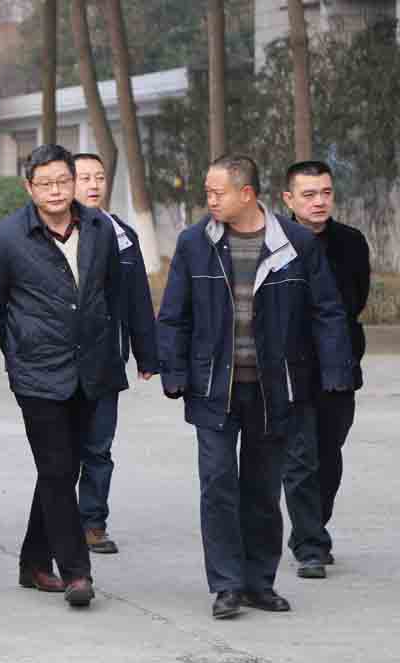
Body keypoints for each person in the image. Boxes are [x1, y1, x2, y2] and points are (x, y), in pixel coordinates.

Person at [157, 154, 351, 619]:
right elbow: (174, 314)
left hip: (275, 389)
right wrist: (174, 372)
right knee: (218, 485)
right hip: (213, 387)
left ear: (246, 194)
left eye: (217, 192)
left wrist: (334, 372)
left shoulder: (296, 244)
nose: (209, 200)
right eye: (207, 192)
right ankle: (226, 585)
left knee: (263, 490)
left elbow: (327, 311)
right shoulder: (195, 243)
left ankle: (259, 583)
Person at [0, 144, 128, 609]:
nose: (56, 191)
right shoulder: (5, 238)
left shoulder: (100, 229)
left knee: (63, 468)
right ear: (29, 188)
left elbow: (112, 292)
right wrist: (20, 345)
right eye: (45, 183)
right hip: (37, 373)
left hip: (91, 368)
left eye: (63, 181)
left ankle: (34, 561)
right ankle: (76, 571)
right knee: (58, 469)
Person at [279, 160, 371, 577]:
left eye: (326, 193)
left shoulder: (350, 242)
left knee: (329, 455)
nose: (319, 201)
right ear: (289, 199)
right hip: (291, 366)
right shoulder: (274, 241)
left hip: (339, 366)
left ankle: (313, 526)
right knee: (300, 458)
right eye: (309, 194)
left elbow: (356, 300)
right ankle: (310, 545)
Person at [71, 154, 158, 555]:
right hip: (58, 360)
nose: (93, 185)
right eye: (84, 178)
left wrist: (146, 353)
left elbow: (137, 297)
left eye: (99, 177)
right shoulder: (50, 234)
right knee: (61, 449)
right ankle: (58, 522)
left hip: (106, 357)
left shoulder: (122, 234)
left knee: (98, 446)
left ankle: (93, 522)